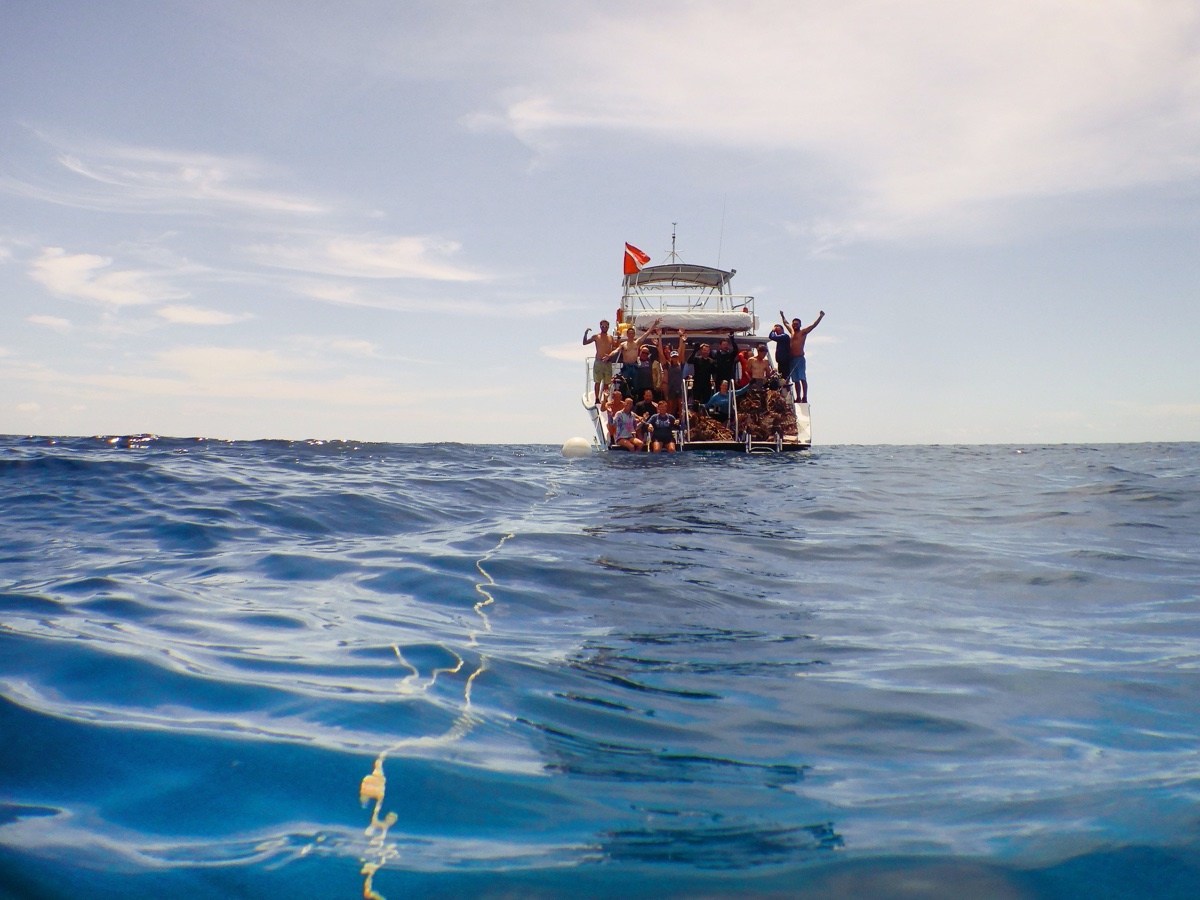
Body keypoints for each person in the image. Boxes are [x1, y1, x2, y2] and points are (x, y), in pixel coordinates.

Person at [779, 309, 825, 403]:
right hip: (792, 359)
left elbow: (813, 326)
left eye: (797, 324)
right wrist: (782, 316)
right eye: (794, 324)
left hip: (799, 359)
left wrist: (820, 316)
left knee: (802, 378)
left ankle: (805, 397)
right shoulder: (791, 332)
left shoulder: (803, 332)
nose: (795, 325)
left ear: (800, 325)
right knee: (796, 380)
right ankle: (798, 397)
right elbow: (785, 323)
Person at [582, 319, 619, 403]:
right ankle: (597, 399)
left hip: (607, 362)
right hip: (599, 362)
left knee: (607, 383)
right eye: (603, 326)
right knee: (597, 382)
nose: (604, 327)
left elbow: (616, 346)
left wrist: (619, 337)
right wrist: (585, 333)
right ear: (600, 326)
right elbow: (584, 343)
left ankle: (604, 399)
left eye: (606, 326)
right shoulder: (596, 336)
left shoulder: (610, 337)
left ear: (608, 327)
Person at [658, 329, 687, 416]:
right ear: (671, 357)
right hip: (670, 388)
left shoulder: (680, 364)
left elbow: (681, 350)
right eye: (673, 357)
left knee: (680, 405)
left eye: (676, 356)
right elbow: (660, 352)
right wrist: (659, 337)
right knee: (670, 406)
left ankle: (681, 422)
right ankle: (670, 422)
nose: (674, 358)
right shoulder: (667, 365)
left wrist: (681, 338)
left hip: (679, 387)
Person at [767, 323, 791, 390]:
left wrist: (773, 330)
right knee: (781, 378)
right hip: (781, 361)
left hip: (785, 361)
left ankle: (786, 390)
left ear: (782, 330)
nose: (776, 332)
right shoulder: (781, 338)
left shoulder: (784, 336)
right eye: (776, 331)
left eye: (778, 330)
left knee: (785, 377)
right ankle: (783, 389)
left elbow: (771, 336)